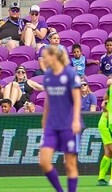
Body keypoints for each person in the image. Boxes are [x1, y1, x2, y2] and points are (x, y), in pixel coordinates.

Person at [38, 44, 82, 192]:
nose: (43, 60)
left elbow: (77, 100)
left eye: (45, 57)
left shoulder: (70, 73)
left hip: (68, 124)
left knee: (70, 165)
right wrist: (44, 119)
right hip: (52, 124)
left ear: (53, 57)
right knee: (44, 162)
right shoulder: (47, 76)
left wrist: (76, 120)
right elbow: (48, 101)